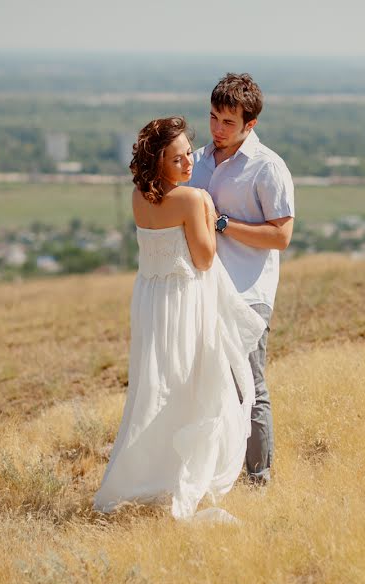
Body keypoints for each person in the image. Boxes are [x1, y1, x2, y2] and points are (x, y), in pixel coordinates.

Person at [92, 116, 266, 521]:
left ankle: (147, 472)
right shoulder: (191, 200)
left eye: (189, 153)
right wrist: (206, 208)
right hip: (184, 301)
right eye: (177, 159)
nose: (188, 164)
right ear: (158, 162)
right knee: (188, 385)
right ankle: (177, 475)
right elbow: (204, 259)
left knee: (154, 385)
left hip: (152, 300)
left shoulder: (138, 197)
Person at [187, 73, 295, 485]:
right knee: (203, 386)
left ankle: (259, 480)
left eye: (228, 123)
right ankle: (214, 475)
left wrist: (224, 224)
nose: (217, 129)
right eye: (213, 117)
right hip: (201, 290)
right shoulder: (195, 161)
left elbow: (281, 236)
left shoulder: (268, 168)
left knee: (248, 386)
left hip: (248, 292)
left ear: (251, 125)